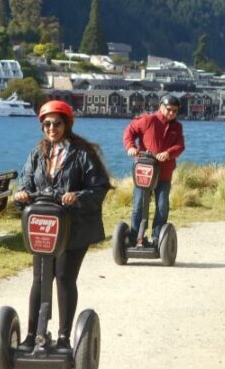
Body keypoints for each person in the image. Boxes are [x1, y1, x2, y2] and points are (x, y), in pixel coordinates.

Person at [14, 100, 111, 351]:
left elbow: (99, 186)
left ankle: (64, 337)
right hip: (45, 225)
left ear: (67, 124)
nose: (51, 128)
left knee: (64, 278)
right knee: (40, 278)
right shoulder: (38, 153)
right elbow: (26, 181)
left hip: (74, 227)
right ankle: (32, 335)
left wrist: (76, 197)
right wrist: (22, 194)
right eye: (46, 123)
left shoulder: (82, 153)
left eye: (57, 123)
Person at [123, 94, 185, 247]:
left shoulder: (177, 127)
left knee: (162, 206)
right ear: (161, 107)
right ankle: (135, 237)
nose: (171, 113)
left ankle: (157, 237)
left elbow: (180, 146)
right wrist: (131, 147)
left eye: (175, 111)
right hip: (144, 171)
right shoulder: (148, 120)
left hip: (164, 173)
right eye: (169, 110)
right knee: (139, 205)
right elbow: (129, 131)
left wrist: (168, 153)